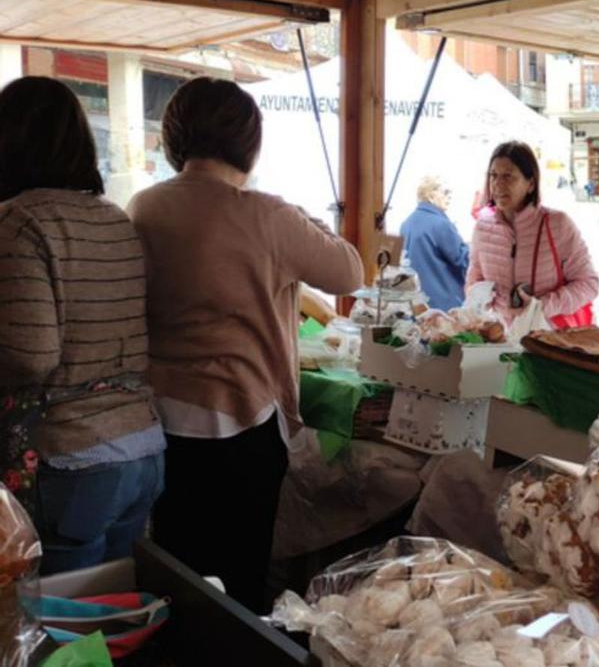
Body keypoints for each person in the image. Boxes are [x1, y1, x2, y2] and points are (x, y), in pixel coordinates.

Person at [127, 77, 363, 612]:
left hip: (159, 420)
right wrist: (296, 213)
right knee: (238, 582)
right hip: (242, 420)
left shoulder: (143, 207)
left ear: (174, 137)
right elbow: (349, 270)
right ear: (249, 143)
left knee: (174, 572)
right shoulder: (267, 214)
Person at [0, 77, 165, 575]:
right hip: (142, 447)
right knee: (109, 615)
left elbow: (30, 355)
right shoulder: (112, 217)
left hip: (72, 456)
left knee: (56, 628)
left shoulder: (18, 221)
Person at [467, 141, 599, 326]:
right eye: (493, 175)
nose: (498, 184)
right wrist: (482, 299)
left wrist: (541, 306)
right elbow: (474, 283)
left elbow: (588, 284)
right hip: (501, 342)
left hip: (550, 340)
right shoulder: (482, 228)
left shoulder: (558, 224)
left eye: (508, 176)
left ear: (530, 184)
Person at [400, 176, 470, 311]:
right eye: (446, 192)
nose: (450, 197)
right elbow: (464, 260)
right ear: (431, 194)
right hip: (445, 306)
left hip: (416, 305)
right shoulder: (441, 224)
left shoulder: (406, 224)